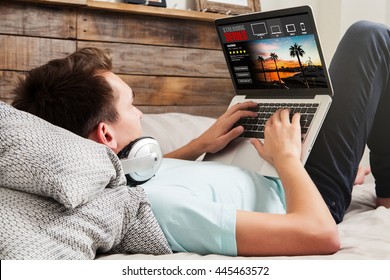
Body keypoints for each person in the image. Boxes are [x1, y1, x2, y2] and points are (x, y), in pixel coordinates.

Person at [10, 20, 390, 257]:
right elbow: (320, 235)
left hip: (275, 166)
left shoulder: (114, 179)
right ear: (106, 134)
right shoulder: (159, 208)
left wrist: (200, 145)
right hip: (306, 194)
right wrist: (289, 159)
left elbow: (145, 175)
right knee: (369, 38)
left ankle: (359, 169)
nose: (141, 114)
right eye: (132, 105)